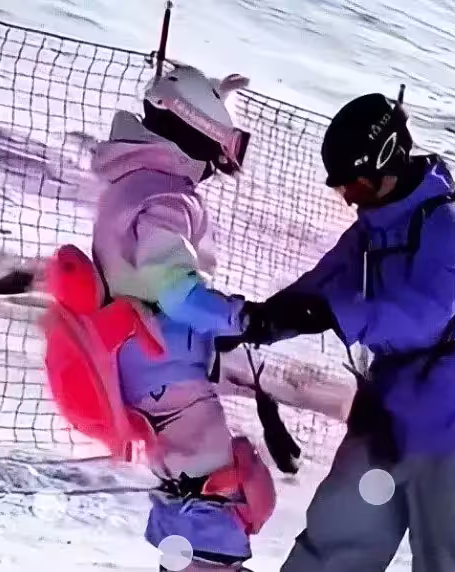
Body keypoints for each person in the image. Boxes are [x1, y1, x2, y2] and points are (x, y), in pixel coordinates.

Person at [226, 92, 455, 571]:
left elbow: (426, 315)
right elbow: (323, 284)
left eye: (356, 183)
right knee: (341, 532)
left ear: (390, 159)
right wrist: (262, 321)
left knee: (450, 549)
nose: (349, 197)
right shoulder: (370, 231)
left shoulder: (447, 224)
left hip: (451, 409)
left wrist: (335, 313)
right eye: (342, 188)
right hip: (385, 404)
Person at [88, 63, 277, 571]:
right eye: (221, 146)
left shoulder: (133, 182)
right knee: (224, 494)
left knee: (188, 490)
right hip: (167, 371)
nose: (219, 163)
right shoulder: (167, 195)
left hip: (144, 364)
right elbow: (176, 292)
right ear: (195, 130)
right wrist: (241, 318)